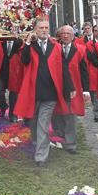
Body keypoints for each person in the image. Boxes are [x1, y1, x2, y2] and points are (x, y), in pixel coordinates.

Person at [15, 18, 72, 166]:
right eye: (41, 28)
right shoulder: (30, 46)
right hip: (33, 93)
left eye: (46, 28)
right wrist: (27, 42)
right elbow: (24, 61)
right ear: (35, 29)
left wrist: (70, 87)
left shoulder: (56, 47)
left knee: (43, 124)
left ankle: (41, 157)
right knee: (33, 123)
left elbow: (64, 68)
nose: (44, 30)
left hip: (50, 94)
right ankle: (37, 142)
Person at [53, 25, 90, 155]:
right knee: (57, 114)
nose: (66, 35)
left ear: (73, 35)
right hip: (57, 86)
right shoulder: (54, 48)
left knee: (70, 115)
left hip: (73, 88)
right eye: (63, 33)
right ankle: (59, 138)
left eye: (68, 33)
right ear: (60, 35)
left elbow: (84, 71)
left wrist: (86, 90)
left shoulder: (80, 50)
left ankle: (71, 144)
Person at [0, 38, 23, 121]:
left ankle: (13, 115)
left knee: (13, 94)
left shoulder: (19, 41)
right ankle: (3, 106)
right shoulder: (0, 41)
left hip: (13, 72)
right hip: (2, 73)